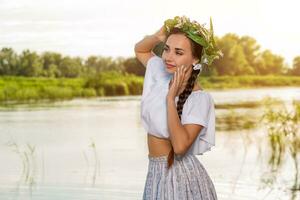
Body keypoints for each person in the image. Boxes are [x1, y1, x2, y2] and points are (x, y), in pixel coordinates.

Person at [134, 16, 222, 200]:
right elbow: (141, 49)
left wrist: (170, 99)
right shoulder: (161, 70)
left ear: (195, 58)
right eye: (167, 49)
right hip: (156, 173)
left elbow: (181, 147)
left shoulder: (199, 99)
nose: (168, 57)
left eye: (178, 52)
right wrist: (159, 36)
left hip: (180, 179)